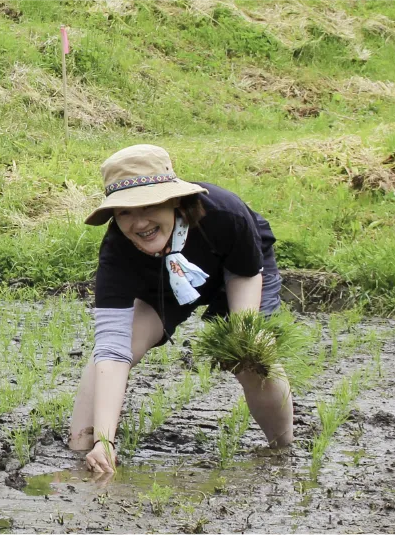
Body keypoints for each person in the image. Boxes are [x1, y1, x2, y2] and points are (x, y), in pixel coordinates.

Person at [66, 144, 294, 473]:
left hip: (235, 272)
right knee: (115, 349)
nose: (138, 222)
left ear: (173, 199)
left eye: (148, 205)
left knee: (251, 358)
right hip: (159, 281)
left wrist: (242, 337)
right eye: (124, 212)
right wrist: (105, 439)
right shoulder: (118, 253)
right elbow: (112, 352)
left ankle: (282, 450)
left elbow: (245, 273)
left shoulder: (225, 214)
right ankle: (83, 452)